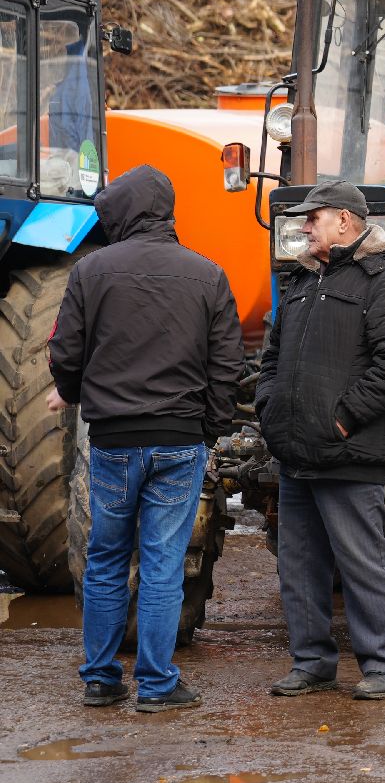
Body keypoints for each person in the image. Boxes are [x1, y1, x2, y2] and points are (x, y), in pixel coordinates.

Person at [48, 165, 244, 713]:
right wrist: (209, 428)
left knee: (107, 559)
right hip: (179, 440)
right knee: (162, 564)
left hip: (112, 439)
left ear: (121, 213)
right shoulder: (208, 274)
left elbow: (65, 352)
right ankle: (157, 685)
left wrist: (76, 395)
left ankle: (101, 679)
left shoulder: (90, 271)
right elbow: (227, 365)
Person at [255, 181, 385, 701]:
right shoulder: (303, 281)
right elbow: (272, 358)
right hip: (296, 452)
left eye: (315, 218)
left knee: (362, 562)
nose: (305, 226)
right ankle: (311, 663)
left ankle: (383, 666)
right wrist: (270, 408)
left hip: (346, 453)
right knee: (298, 565)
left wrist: (343, 420)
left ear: (345, 221)